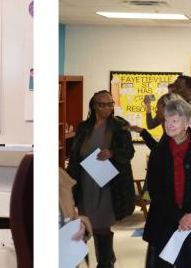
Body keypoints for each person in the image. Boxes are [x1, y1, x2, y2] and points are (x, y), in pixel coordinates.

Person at [142, 96, 191, 268]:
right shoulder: (158, 152)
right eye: (167, 119)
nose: (169, 124)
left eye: (175, 120)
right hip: (164, 220)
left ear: (187, 123)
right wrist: (179, 216)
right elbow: (155, 190)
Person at [67, 91, 135, 268]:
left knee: (102, 225)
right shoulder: (84, 127)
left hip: (108, 184)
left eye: (110, 104)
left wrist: (112, 153)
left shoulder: (120, 126)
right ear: (94, 106)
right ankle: (100, 259)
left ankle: (105, 262)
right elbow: (75, 155)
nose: (107, 108)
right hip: (85, 182)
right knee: (86, 222)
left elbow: (129, 153)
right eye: (102, 104)